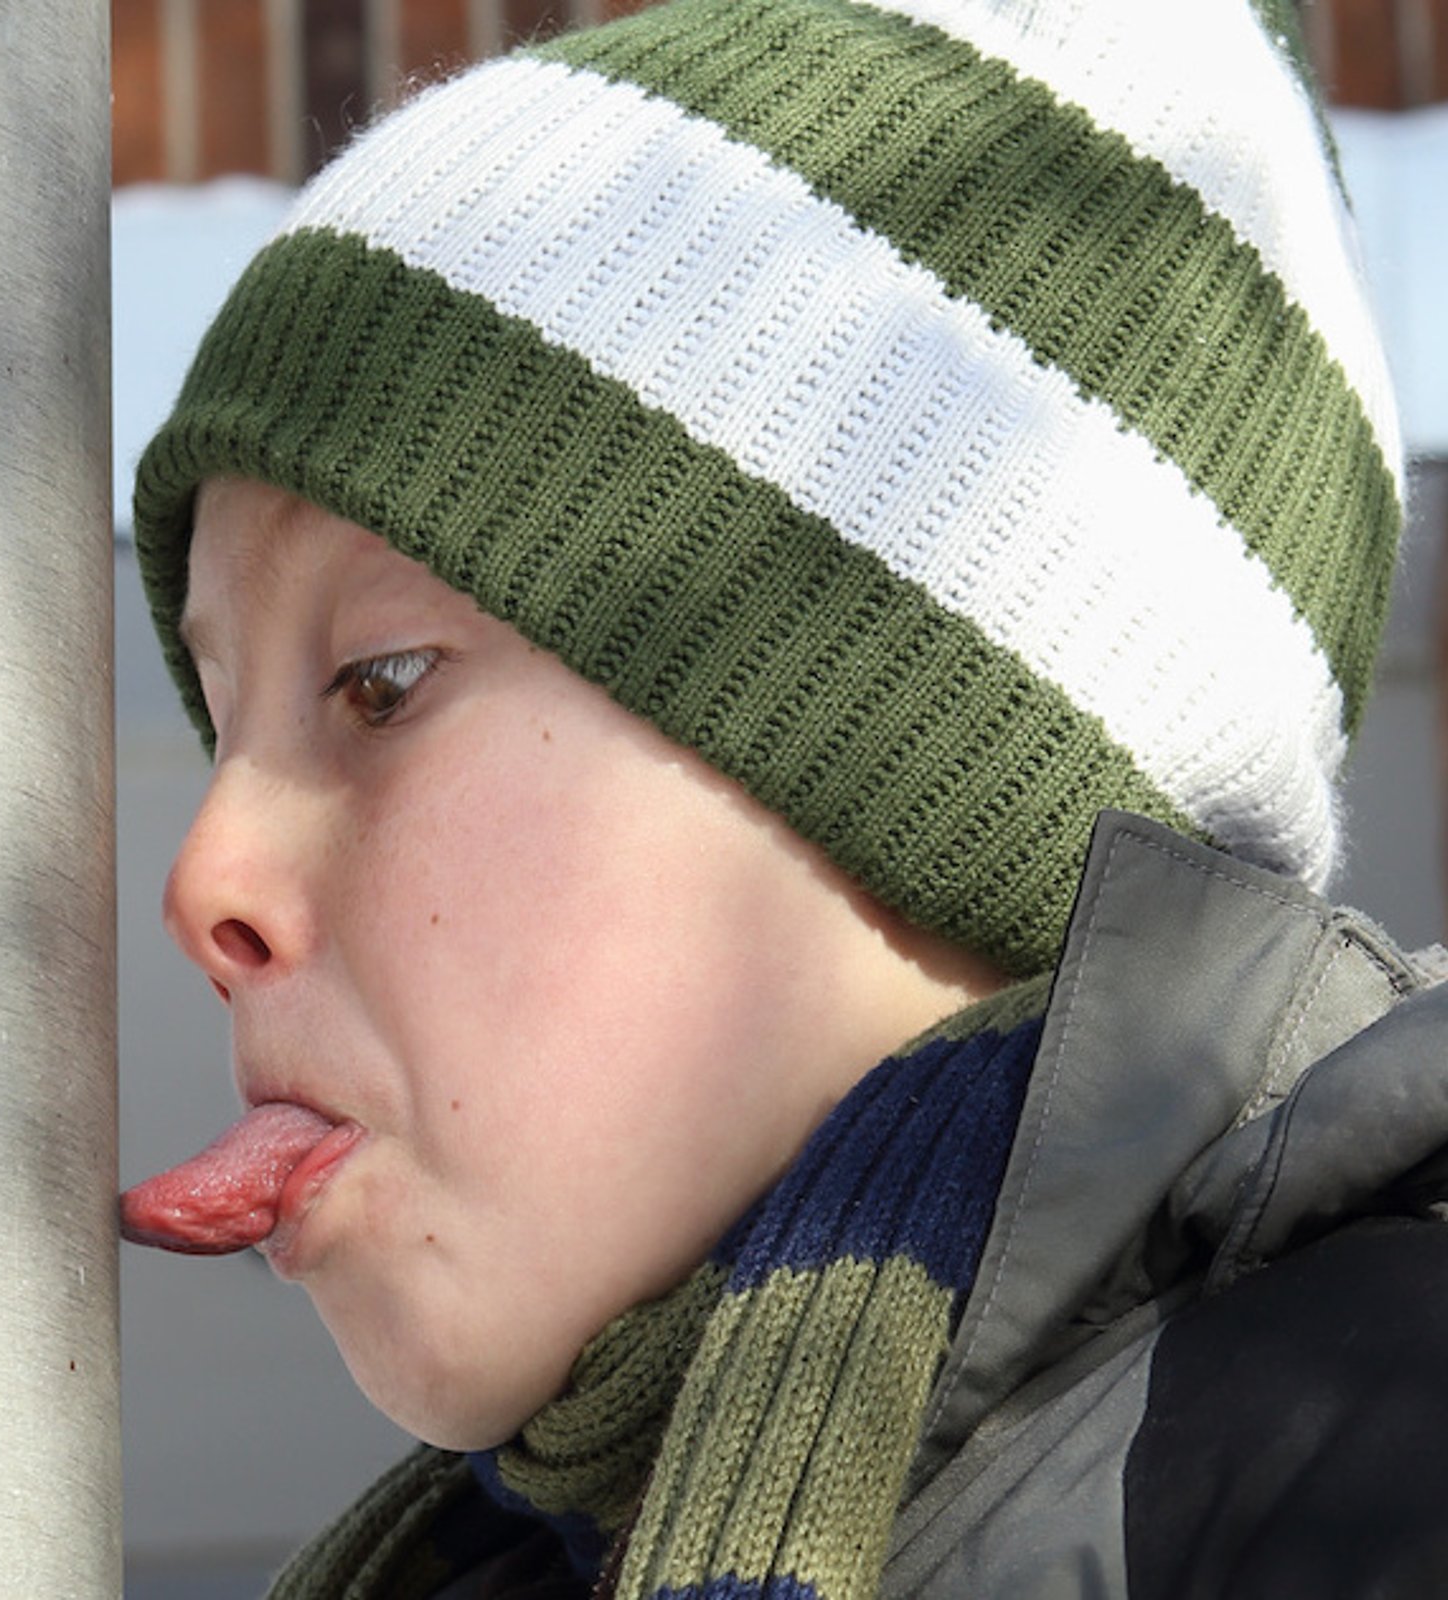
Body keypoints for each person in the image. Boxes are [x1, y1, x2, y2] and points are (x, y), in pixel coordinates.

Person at [120, 0, 1448, 1594]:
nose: (209, 878)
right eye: (220, 721)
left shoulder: (1366, 1478)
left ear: (934, 767)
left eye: (381, 683)